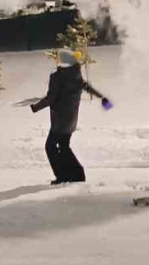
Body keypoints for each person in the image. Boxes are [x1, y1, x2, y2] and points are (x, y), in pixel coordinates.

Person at [30, 49, 113, 185]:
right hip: (71, 120)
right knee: (64, 146)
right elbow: (88, 87)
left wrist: (35, 107)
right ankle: (77, 174)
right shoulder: (76, 75)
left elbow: (51, 97)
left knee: (50, 147)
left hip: (59, 121)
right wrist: (102, 98)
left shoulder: (58, 77)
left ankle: (63, 175)